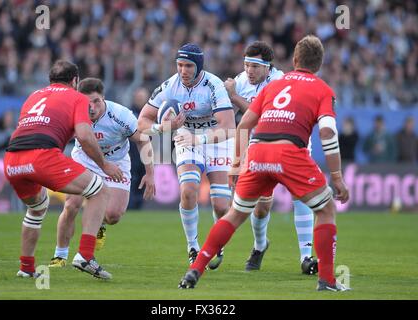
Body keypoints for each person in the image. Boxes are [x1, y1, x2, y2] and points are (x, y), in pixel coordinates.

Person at [179, 35, 350, 292]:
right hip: (290, 151)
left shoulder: (274, 86)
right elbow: (327, 132)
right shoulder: (323, 89)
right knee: (324, 209)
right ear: (320, 63)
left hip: (257, 152)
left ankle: (195, 269)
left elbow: (245, 123)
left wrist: (236, 164)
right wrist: (336, 176)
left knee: (236, 213)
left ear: (293, 60)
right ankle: (327, 280)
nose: (250, 70)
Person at [3, 60, 123, 279]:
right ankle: (86, 256)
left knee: (37, 208)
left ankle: (27, 268)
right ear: (75, 81)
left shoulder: (34, 95)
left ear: (51, 80)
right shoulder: (77, 97)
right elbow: (85, 136)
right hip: (42, 155)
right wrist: (104, 165)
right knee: (101, 190)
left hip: (12, 159)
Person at [138, 43, 236, 269]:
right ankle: (192, 247)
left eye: (189, 66)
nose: (183, 70)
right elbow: (142, 122)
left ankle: (216, 244)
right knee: (188, 191)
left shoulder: (214, 85)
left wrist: (199, 139)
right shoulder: (169, 86)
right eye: (180, 65)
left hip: (216, 141)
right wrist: (164, 128)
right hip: (186, 138)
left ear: (199, 66)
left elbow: (229, 126)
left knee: (221, 206)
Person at [224, 40, 317, 273]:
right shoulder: (241, 81)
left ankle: (306, 257)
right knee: (261, 207)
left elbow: (265, 113)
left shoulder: (280, 81)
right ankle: (259, 246)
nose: (249, 71)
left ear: (268, 67)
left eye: (255, 66)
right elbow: (229, 120)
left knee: (301, 195)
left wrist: (235, 97)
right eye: (246, 65)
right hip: (261, 148)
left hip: (293, 143)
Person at [48, 78, 155, 267]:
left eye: (96, 101)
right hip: (85, 159)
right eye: (87, 102)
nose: (92, 107)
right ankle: (60, 255)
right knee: (72, 205)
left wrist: (150, 174)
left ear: (104, 98)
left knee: (113, 215)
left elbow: (143, 140)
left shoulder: (121, 115)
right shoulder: (72, 114)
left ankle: (100, 224)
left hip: (117, 162)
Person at [128, 87, 151, 210]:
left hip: (146, 153)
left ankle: (138, 206)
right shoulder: (130, 114)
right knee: (132, 179)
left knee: (144, 179)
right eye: (138, 98)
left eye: (142, 98)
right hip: (132, 153)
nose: (140, 100)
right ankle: (130, 206)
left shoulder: (150, 115)